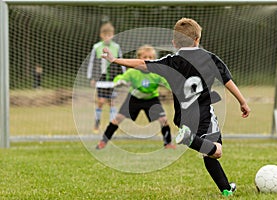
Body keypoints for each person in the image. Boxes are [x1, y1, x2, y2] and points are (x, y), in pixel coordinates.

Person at [101, 18, 251, 197]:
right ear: (197, 39)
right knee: (216, 150)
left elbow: (141, 64)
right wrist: (242, 102)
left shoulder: (171, 61)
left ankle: (226, 189)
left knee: (207, 151)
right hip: (203, 115)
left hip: (183, 119)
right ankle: (188, 138)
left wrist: (115, 59)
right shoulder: (210, 58)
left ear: (174, 43)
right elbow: (227, 81)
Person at [96, 45, 176, 150]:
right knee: (117, 119)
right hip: (134, 99)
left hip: (151, 99)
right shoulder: (133, 71)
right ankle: (103, 142)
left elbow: (168, 83)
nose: (148, 59)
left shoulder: (157, 73)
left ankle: (168, 144)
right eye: (145, 57)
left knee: (164, 120)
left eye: (151, 57)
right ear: (138, 58)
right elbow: (120, 78)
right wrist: (119, 81)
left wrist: (176, 89)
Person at [87, 22, 125, 133]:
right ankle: (97, 123)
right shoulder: (97, 47)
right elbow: (92, 63)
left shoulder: (116, 47)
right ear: (101, 35)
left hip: (112, 80)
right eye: (105, 35)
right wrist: (92, 78)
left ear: (113, 35)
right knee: (101, 101)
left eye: (110, 35)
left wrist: (123, 77)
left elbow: (121, 62)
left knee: (112, 101)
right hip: (101, 80)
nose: (108, 37)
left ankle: (111, 126)